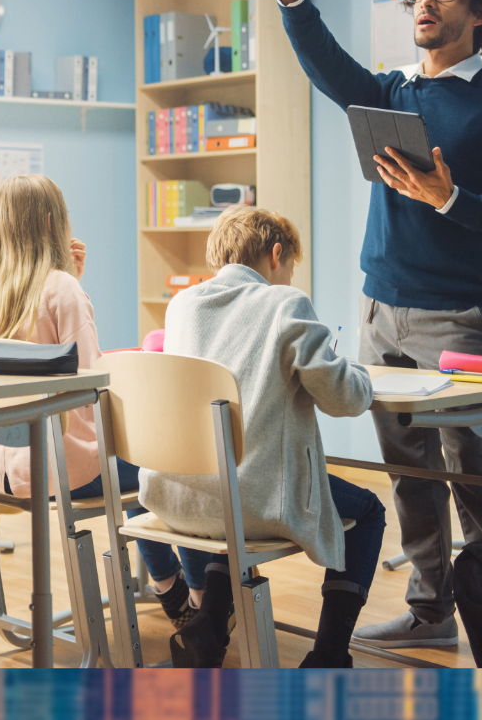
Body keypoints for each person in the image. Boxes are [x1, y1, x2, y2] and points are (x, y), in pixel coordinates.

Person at [247, 0, 482, 651]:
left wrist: (453, 199)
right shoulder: (392, 93)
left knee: (476, 478)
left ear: (479, 11)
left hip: (455, 319)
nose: (425, 2)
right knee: (409, 475)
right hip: (378, 311)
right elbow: (328, 66)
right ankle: (430, 614)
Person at [146, 206, 387, 669]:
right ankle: (329, 657)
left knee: (232, 496)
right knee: (370, 513)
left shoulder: (183, 306)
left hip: (181, 494)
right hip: (254, 498)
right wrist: (355, 370)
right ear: (276, 254)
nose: (290, 277)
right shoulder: (285, 303)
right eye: (290, 266)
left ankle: (208, 628)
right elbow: (345, 399)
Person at [0, 173, 197, 628]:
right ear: (52, 221)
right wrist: (74, 285)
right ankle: (193, 593)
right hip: (64, 469)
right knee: (178, 466)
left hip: (8, 471)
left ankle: (167, 582)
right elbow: (97, 386)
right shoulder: (60, 288)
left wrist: (72, 281)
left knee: (136, 465)